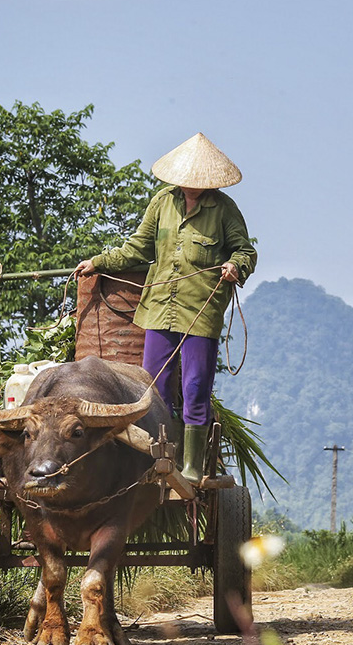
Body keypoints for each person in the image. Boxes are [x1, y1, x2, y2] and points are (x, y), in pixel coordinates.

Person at [74, 132, 257, 484]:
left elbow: (245, 250)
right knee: (152, 388)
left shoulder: (224, 210)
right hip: (159, 308)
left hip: (200, 311)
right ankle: (154, 460)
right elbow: (137, 248)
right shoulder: (162, 202)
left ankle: (190, 467)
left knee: (194, 386)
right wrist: (98, 262)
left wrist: (235, 266)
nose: (189, 186)